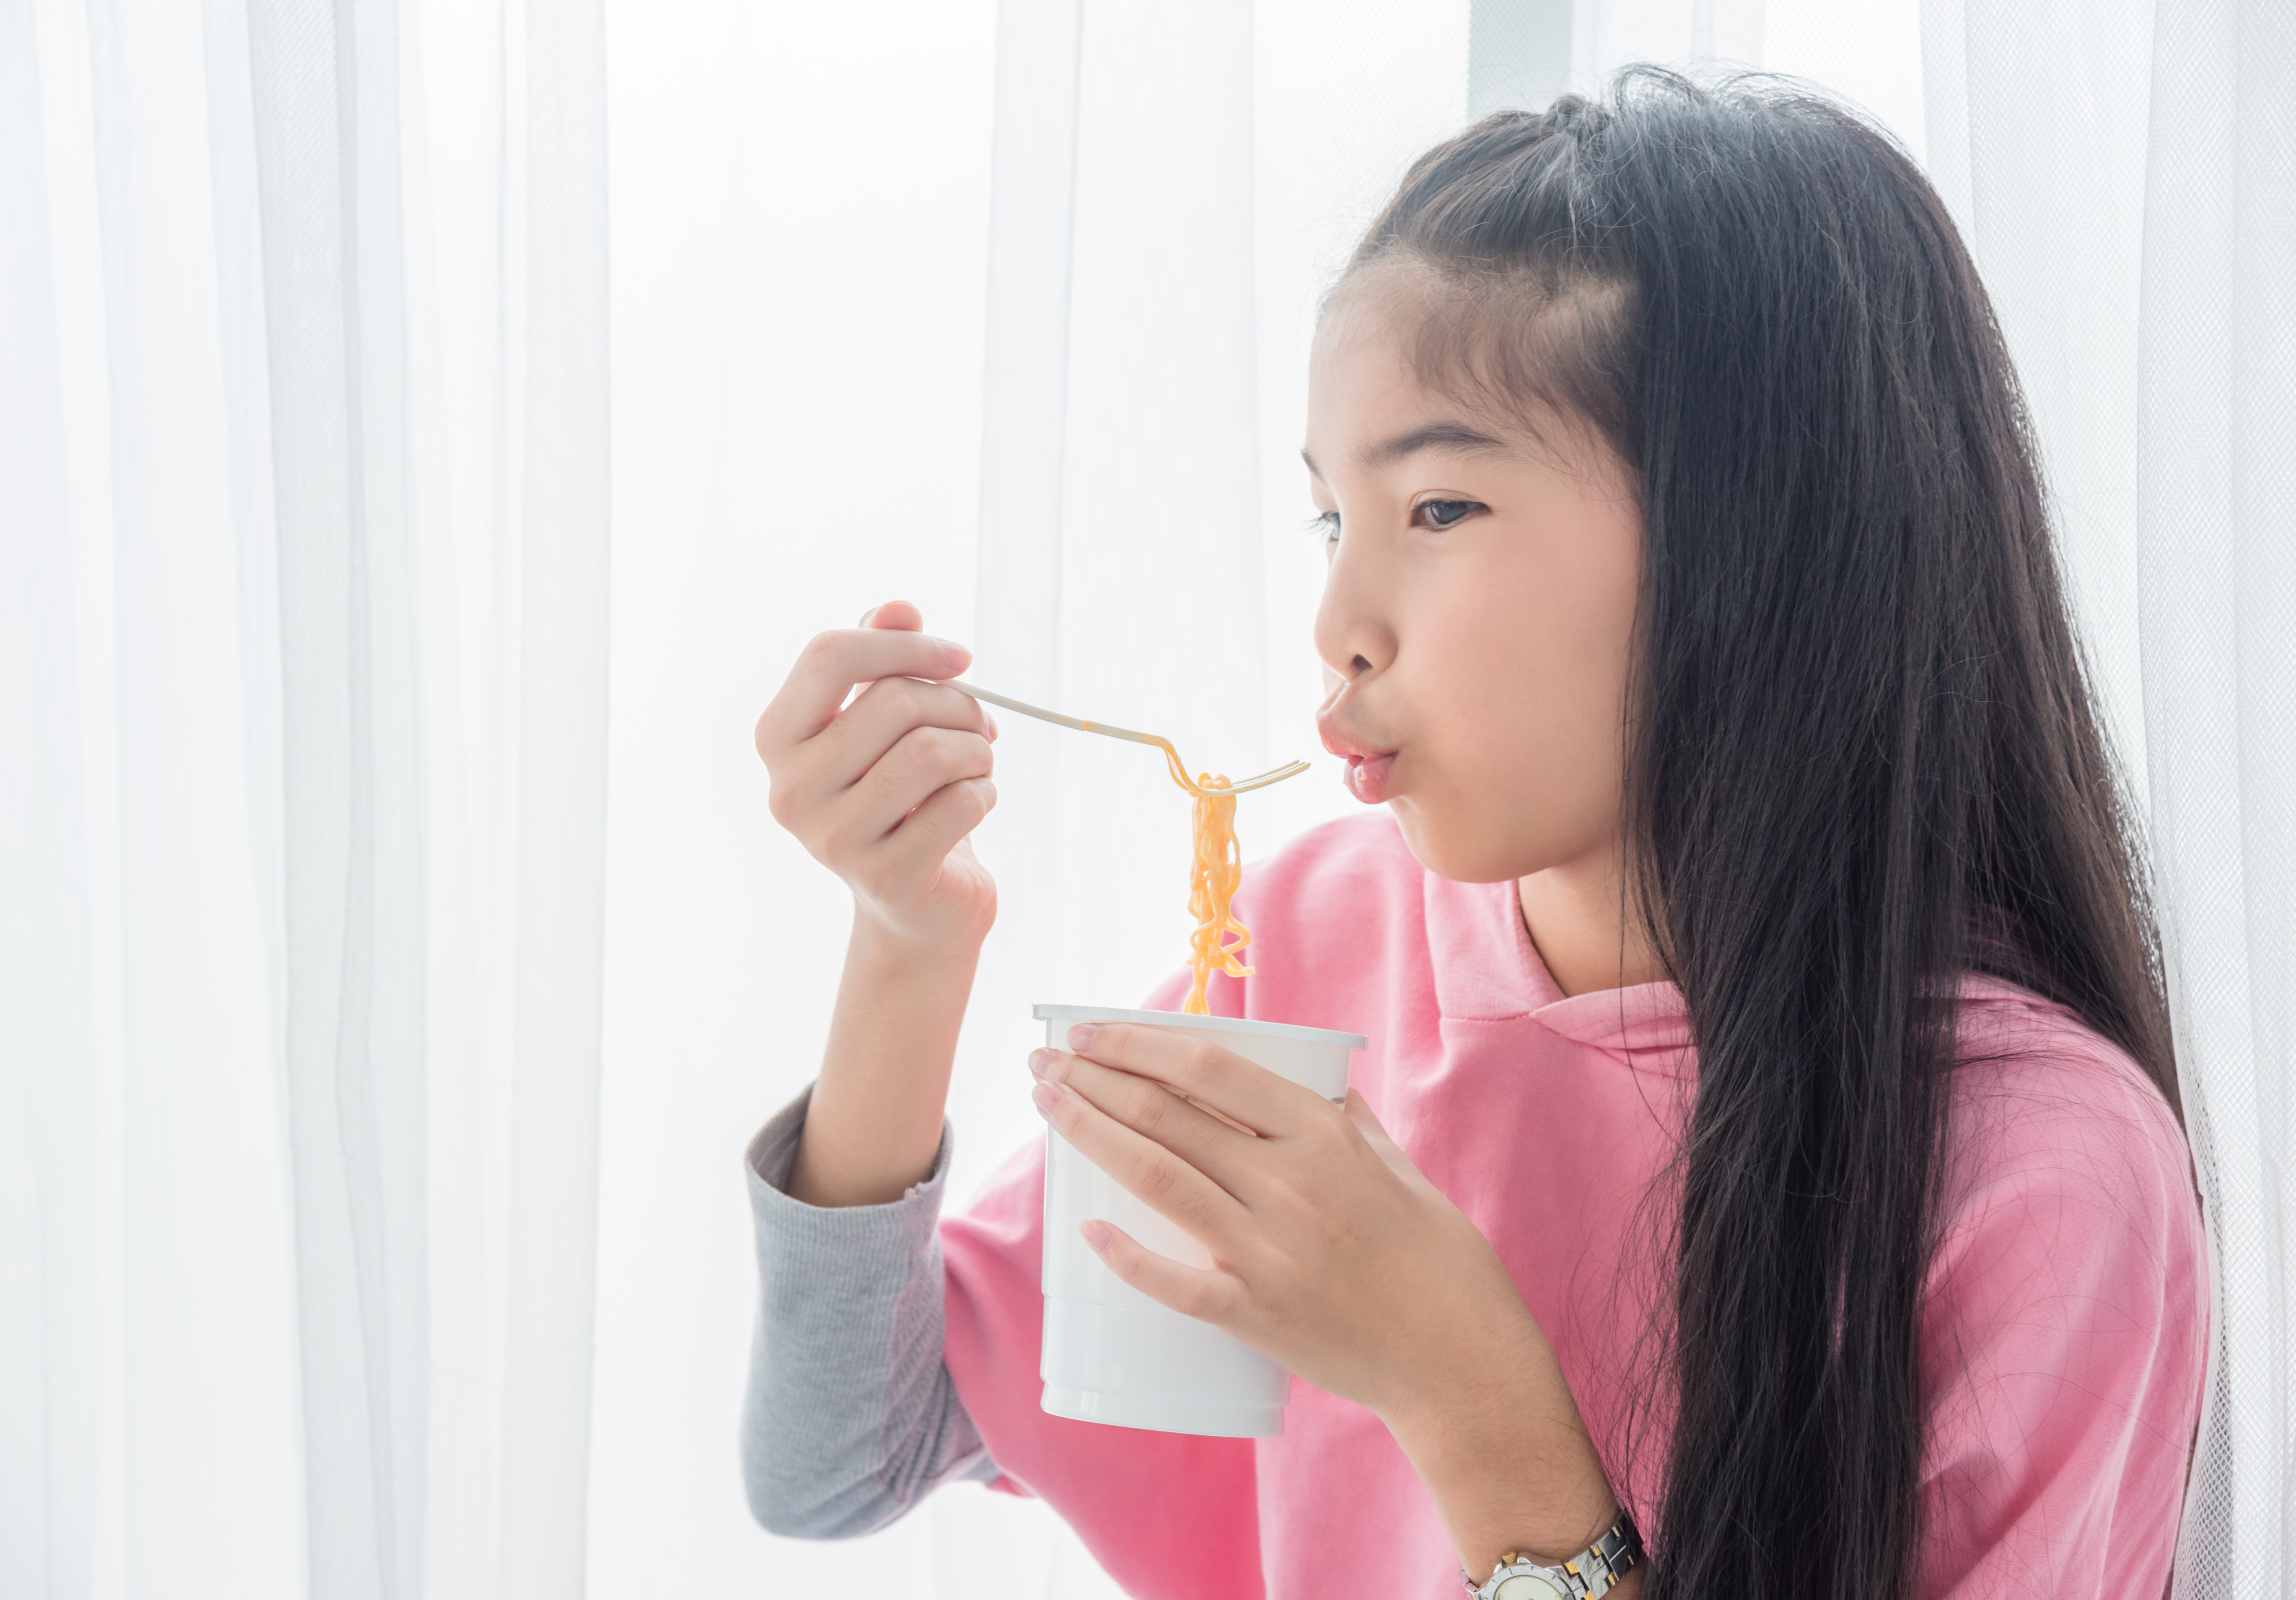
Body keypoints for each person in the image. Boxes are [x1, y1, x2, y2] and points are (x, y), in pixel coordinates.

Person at [740, 69, 2207, 1600]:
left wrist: (1463, 1388)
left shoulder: (2039, 1175)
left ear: (1757, 547)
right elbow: (843, 1452)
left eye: (1437, 508)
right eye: (1331, 520)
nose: (1339, 625)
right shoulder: (1318, 943)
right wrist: (909, 943)